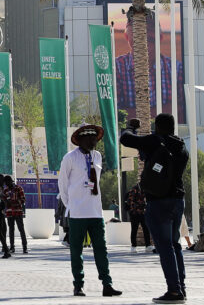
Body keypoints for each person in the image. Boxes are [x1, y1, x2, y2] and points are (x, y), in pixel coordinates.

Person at [120, 114, 189, 304]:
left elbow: (125, 139)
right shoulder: (182, 147)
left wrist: (130, 127)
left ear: (157, 126)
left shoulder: (154, 141)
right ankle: (181, 288)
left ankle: (174, 291)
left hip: (158, 202)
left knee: (165, 246)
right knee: (174, 245)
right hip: (178, 200)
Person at [58, 125, 121, 298]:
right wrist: (71, 205)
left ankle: (107, 284)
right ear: (81, 139)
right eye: (91, 139)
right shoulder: (70, 158)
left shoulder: (97, 156)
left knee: (101, 249)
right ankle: (78, 285)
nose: (94, 141)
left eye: (95, 138)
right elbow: (62, 185)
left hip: (95, 211)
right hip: (78, 213)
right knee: (76, 250)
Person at [115, 9, 185, 121]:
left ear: (160, 38)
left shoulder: (177, 69)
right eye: (138, 37)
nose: (144, 43)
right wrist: (165, 111)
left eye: (150, 38)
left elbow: (182, 112)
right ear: (127, 37)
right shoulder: (116, 68)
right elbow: (115, 116)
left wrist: (134, 114)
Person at [2, 176, 27, 254]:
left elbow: (23, 199)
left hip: (18, 212)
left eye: (7, 183)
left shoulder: (18, 188)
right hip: (9, 213)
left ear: (10, 181)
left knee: (21, 230)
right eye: (5, 183)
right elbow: (4, 202)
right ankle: (12, 247)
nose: (6, 184)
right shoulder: (5, 190)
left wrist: (15, 202)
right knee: (11, 230)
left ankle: (24, 247)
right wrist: (5, 202)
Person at [125, 183, 152, 253]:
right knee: (134, 229)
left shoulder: (145, 189)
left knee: (146, 229)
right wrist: (139, 206)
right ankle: (133, 246)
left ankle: (148, 245)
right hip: (134, 213)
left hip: (143, 213)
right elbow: (129, 201)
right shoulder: (134, 189)